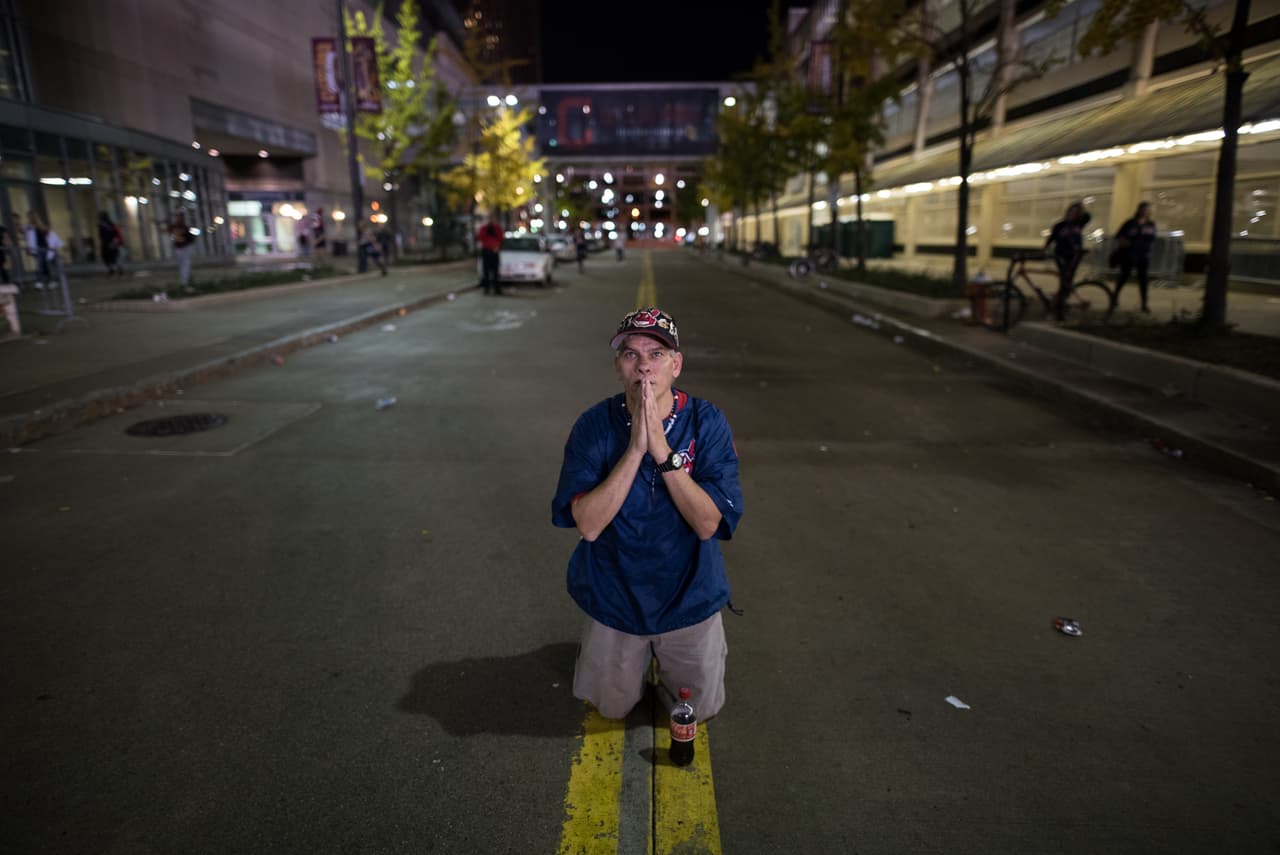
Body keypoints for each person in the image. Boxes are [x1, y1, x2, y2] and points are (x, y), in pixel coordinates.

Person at [552, 307, 744, 721]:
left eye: (656, 354)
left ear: (676, 365)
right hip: (615, 594)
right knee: (612, 708)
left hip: (689, 594)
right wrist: (635, 449)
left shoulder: (706, 422)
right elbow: (588, 525)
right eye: (630, 355)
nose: (643, 367)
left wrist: (662, 452)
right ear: (618, 366)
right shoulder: (594, 425)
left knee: (696, 710)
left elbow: (708, 523)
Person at [1044, 201, 1091, 321]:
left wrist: (1080, 207)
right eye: (1071, 212)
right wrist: (1045, 249)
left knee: (1068, 279)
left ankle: (1060, 303)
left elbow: (1088, 216)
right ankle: (1060, 304)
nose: (1072, 214)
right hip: (1060, 254)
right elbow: (1052, 238)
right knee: (1064, 278)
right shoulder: (1059, 225)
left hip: (1075, 255)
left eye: (1075, 213)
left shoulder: (1079, 224)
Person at [1112, 201, 1157, 314]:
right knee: (1124, 276)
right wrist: (1125, 242)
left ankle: (1144, 304)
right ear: (1139, 210)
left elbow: (1151, 239)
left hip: (1143, 256)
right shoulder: (1130, 223)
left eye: (1148, 210)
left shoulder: (1150, 224)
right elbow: (1118, 236)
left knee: (1143, 280)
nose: (1146, 212)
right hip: (1129, 255)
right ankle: (1114, 297)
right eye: (1144, 209)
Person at [476, 216, 503, 295]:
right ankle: (487, 288)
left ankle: (496, 288)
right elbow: (480, 237)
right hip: (486, 250)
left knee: (495, 272)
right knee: (486, 271)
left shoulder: (497, 228)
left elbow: (501, 237)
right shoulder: (484, 228)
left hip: (494, 250)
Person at [170, 210, 195, 287]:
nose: (178, 219)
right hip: (178, 248)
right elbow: (170, 234)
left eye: (179, 217)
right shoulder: (174, 227)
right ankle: (184, 280)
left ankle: (185, 281)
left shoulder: (185, 227)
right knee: (181, 264)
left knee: (185, 264)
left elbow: (191, 238)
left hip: (185, 247)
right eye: (177, 217)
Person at [98, 212, 124, 277]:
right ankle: (112, 269)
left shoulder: (110, 225)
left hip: (112, 242)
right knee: (107, 257)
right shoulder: (102, 225)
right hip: (106, 243)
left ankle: (118, 269)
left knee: (114, 256)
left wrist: (115, 241)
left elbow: (116, 233)